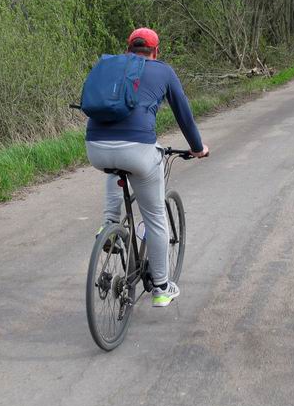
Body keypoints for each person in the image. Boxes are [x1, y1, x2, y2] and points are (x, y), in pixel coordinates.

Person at [85, 28, 209, 307]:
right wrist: (198, 147)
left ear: (127, 48)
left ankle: (109, 225)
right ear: (156, 51)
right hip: (138, 151)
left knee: (114, 165)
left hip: (95, 148)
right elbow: (184, 116)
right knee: (155, 217)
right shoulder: (163, 71)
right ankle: (162, 288)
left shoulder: (110, 66)